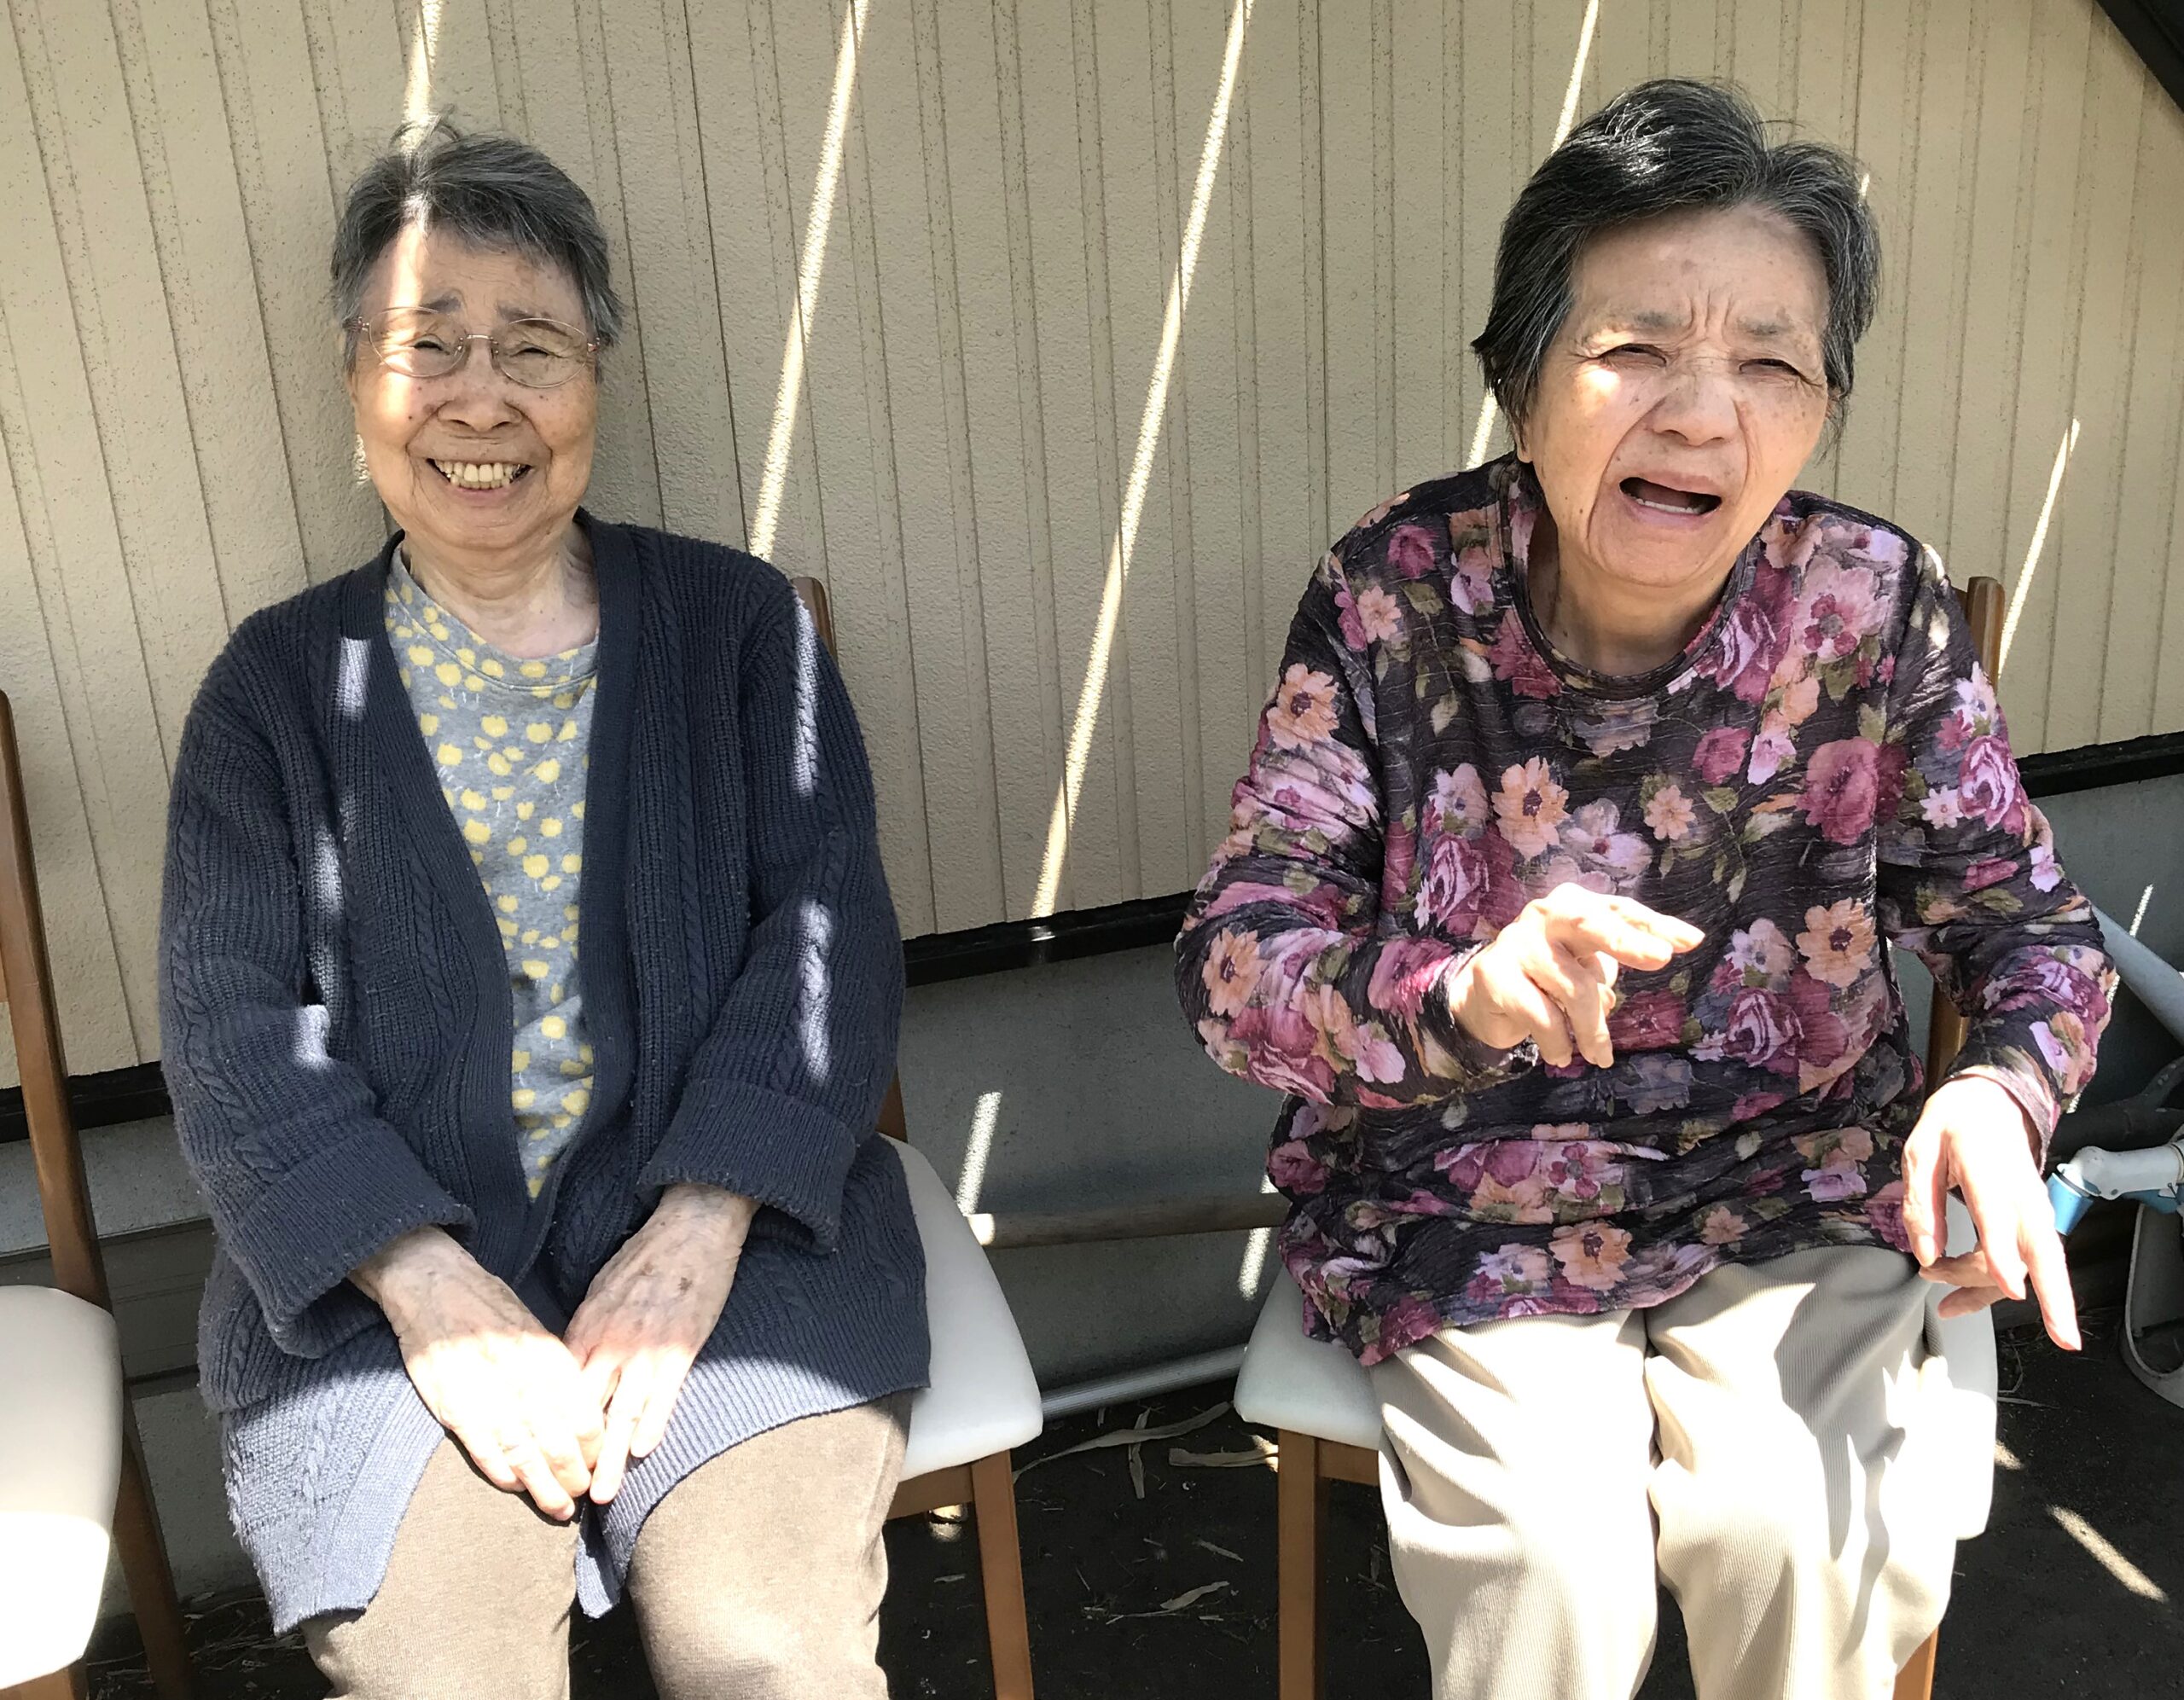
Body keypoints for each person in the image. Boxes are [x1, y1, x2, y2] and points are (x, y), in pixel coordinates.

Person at [1176, 79, 2111, 1700]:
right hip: (1467, 1191)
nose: (1701, 415)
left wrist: (2000, 1089)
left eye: (1771, 363)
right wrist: (1456, 995)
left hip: (1792, 1179)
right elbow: (1238, 957)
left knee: (1793, 1533)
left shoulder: (1869, 605)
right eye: (1635, 348)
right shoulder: (1398, 593)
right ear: (1521, 378)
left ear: (1820, 410)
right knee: (1548, 1570)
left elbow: (2025, 924)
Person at [160, 119, 923, 1699]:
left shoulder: (738, 629)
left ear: (597, 380)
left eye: (532, 347)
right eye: (424, 346)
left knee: (767, 1652)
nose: (479, 398)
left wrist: (705, 1218)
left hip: (737, 1237)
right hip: (377, 1278)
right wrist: (426, 1283)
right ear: (356, 382)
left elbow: (827, 938)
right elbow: (233, 1027)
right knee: (447, 1675)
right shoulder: (273, 689)